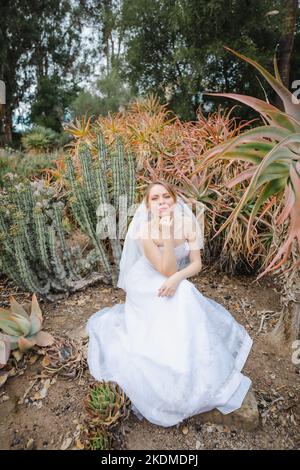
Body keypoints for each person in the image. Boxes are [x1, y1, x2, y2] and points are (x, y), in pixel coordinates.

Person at [86, 180, 253, 427]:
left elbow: (196, 264)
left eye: (166, 196)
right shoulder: (144, 232)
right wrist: (165, 237)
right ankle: (169, 354)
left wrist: (177, 278)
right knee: (182, 294)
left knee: (184, 291)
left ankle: (192, 356)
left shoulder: (188, 224)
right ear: (147, 205)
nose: (162, 201)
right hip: (146, 282)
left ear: (175, 200)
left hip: (173, 277)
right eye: (155, 198)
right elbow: (165, 268)